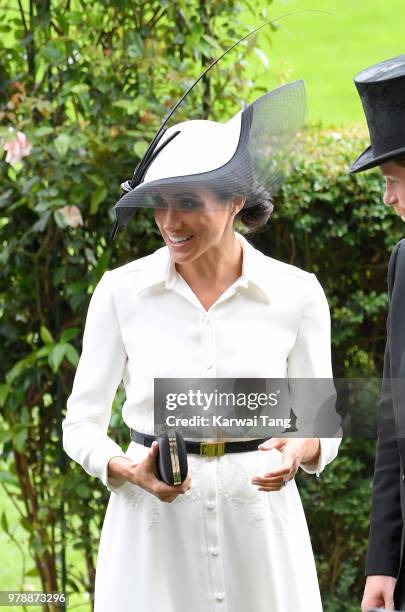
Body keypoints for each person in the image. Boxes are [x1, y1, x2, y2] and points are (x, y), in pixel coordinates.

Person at [62, 81, 341, 612]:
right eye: (160, 204)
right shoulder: (121, 293)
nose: (170, 222)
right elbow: (81, 425)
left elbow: (320, 424)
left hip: (261, 542)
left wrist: (299, 449)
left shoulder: (296, 294)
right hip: (151, 546)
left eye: (189, 203)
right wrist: (126, 468)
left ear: (236, 201)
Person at [349, 54, 405, 612]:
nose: (387, 197)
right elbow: (394, 416)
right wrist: (383, 563)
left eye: (392, 179)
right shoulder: (403, 263)